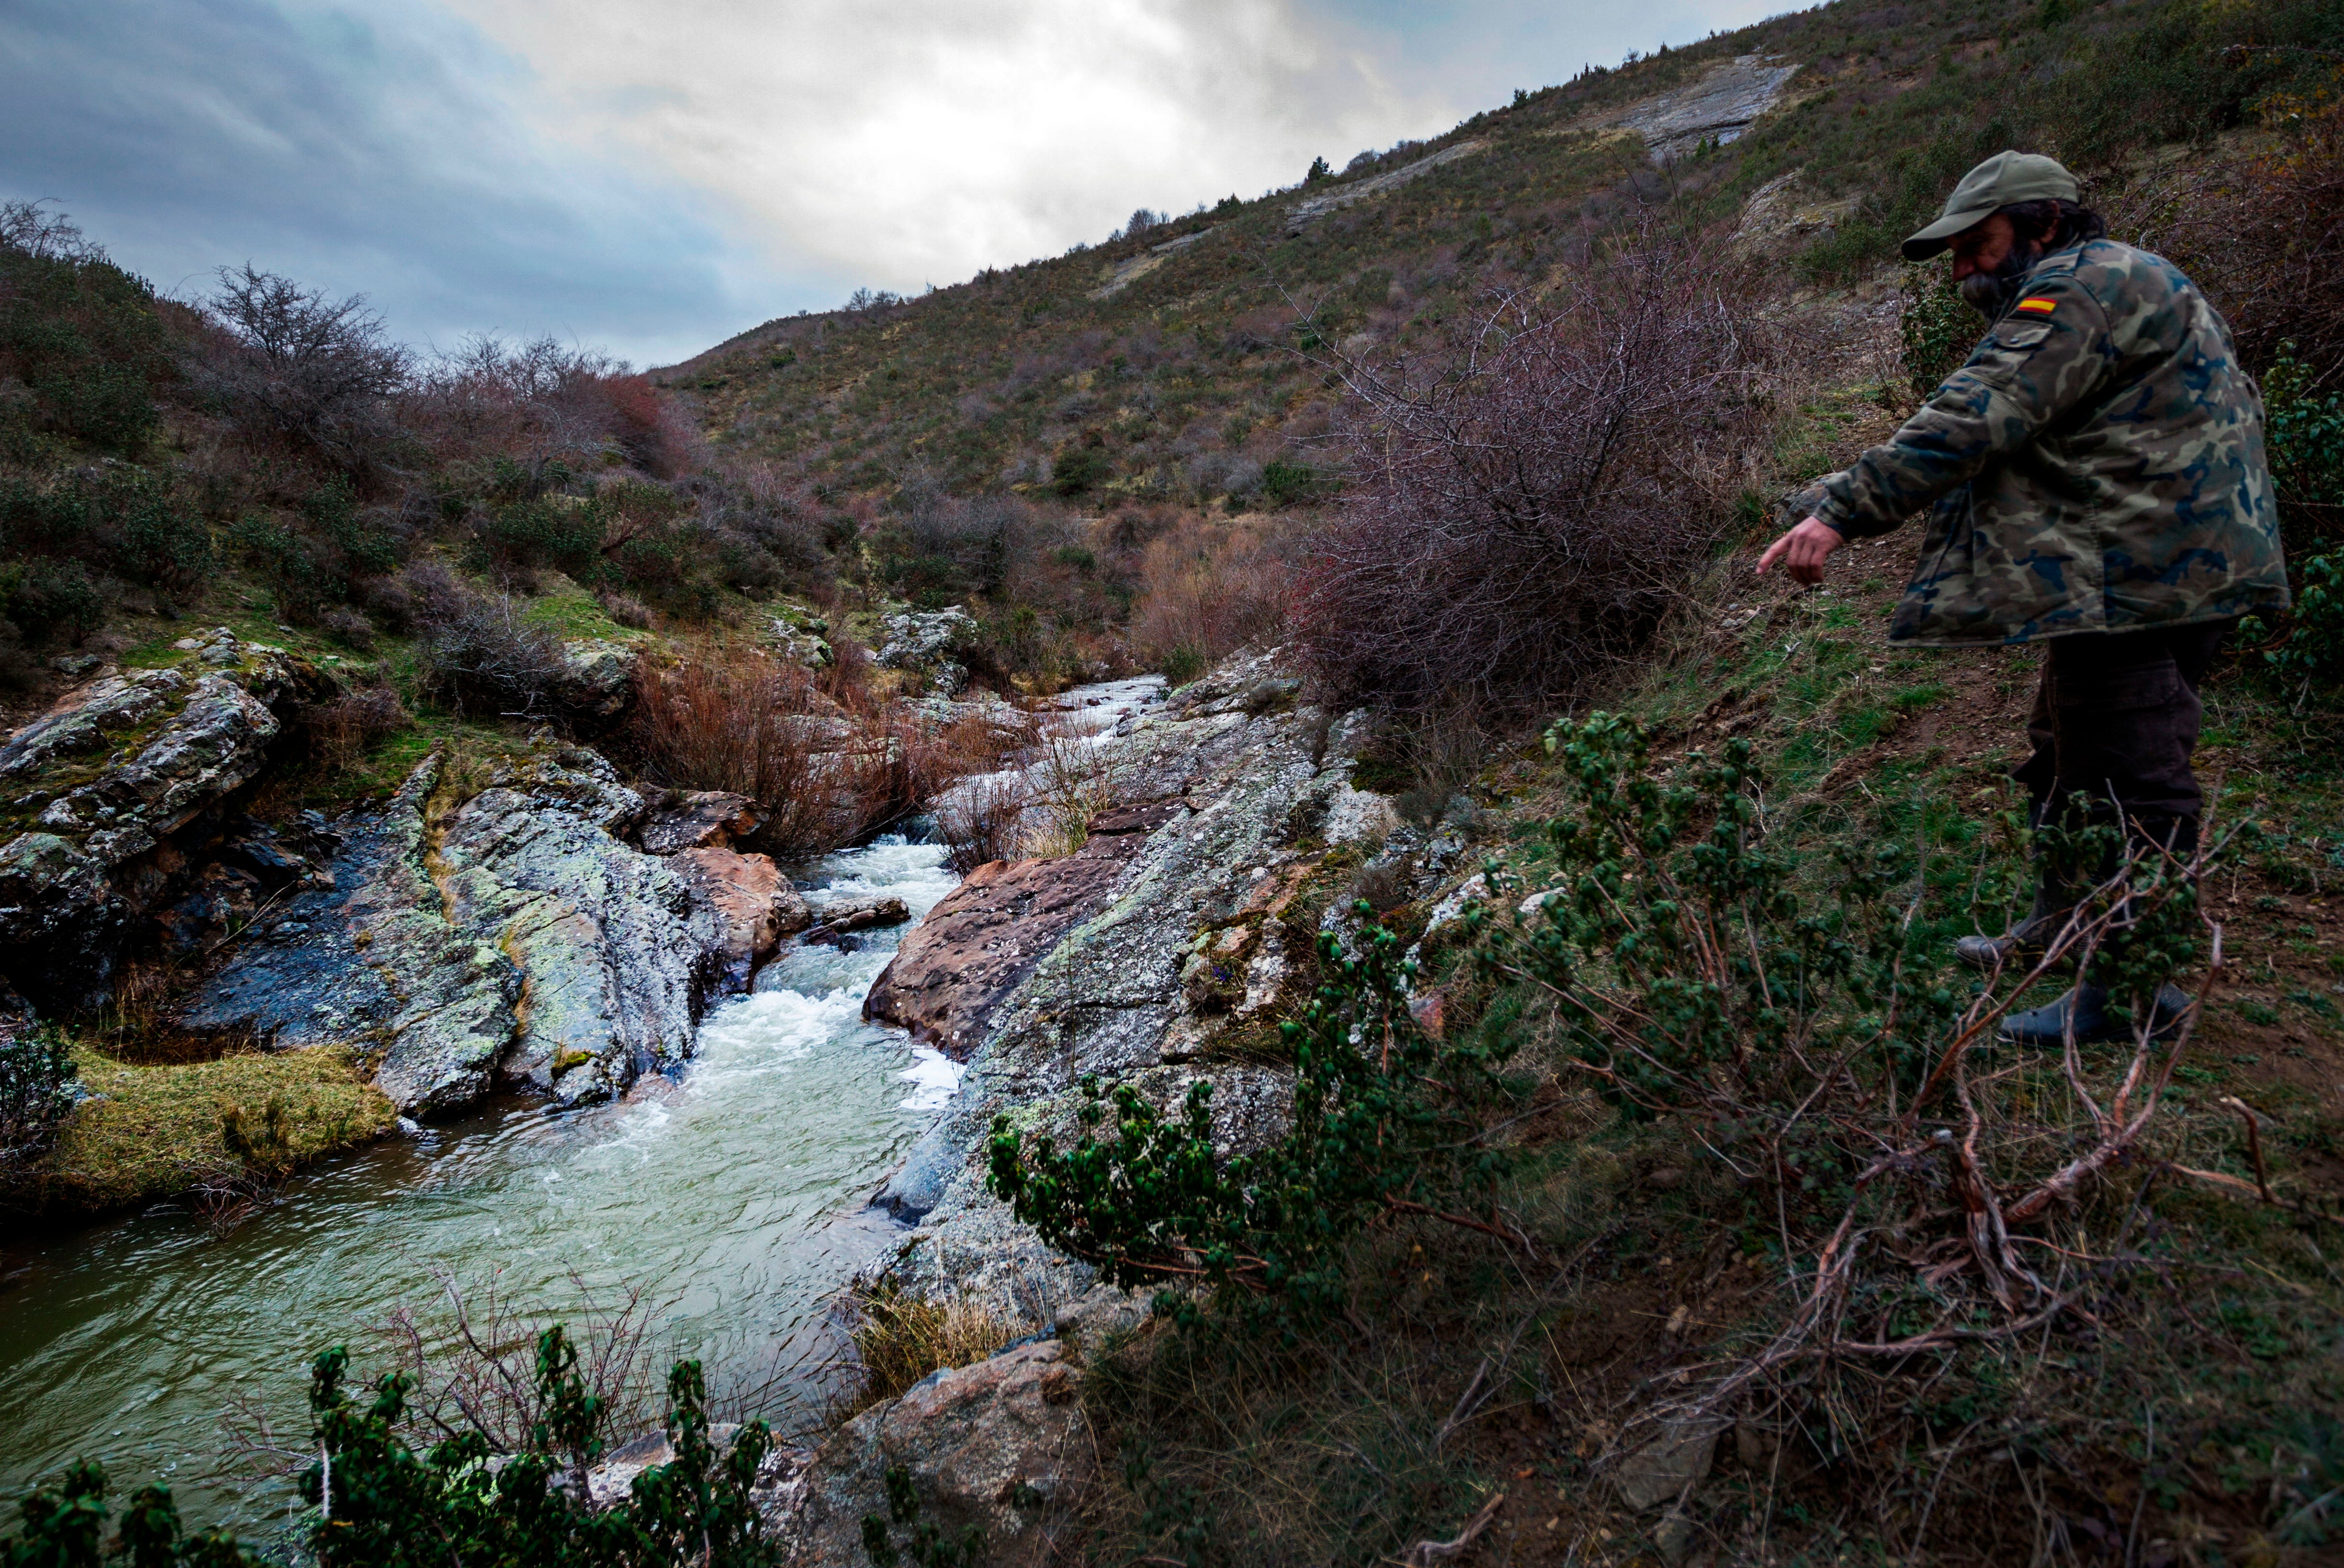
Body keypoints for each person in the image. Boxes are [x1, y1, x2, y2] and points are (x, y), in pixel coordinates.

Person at [1757, 150, 2290, 1044]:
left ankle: (2127, 997)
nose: (1965, 269)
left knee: (2131, 781)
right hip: (2178, 561)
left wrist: (1841, 511)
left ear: (2043, 224)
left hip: (2137, 573)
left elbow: (1979, 410)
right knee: (2068, 744)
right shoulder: (2132, 276)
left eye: (1979, 245)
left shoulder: (2075, 289)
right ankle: (2061, 927)